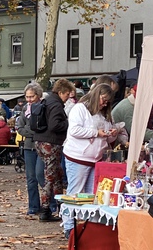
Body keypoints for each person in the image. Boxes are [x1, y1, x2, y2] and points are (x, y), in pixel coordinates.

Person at [62, 83, 118, 239]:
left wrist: (112, 133)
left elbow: (107, 139)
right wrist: (96, 133)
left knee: (91, 194)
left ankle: (87, 224)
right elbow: (74, 130)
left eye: (107, 102)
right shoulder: (80, 109)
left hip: (95, 159)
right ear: (96, 95)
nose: (104, 103)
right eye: (103, 99)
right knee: (75, 192)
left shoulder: (104, 114)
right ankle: (69, 226)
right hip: (78, 156)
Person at [32, 79, 70, 222]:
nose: (68, 97)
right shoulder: (56, 105)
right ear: (60, 92)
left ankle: (60, 206)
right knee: (50, 176)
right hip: (51, 143)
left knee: (57, 173)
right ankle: (46, 209)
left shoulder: (47, 101)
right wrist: (68, 123)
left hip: (40, 141)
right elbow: (55, 125)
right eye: (67, 94)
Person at [16, 83, 43, 215]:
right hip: (28, 147)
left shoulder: (44, 107)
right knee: (31, 178)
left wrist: (32, 131)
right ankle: (33, 206)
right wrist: (33, 132)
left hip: (42, 146)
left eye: (31, 97)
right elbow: (20, 128)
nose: (29, 99)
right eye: (27, 97)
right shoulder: (25, 109)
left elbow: (44, 128)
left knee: (41, 175)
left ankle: (51, 203)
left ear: (38, 95)